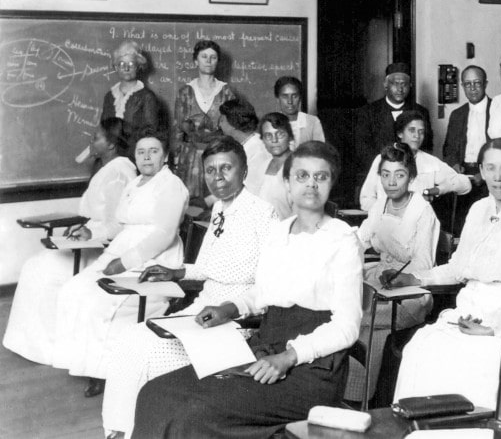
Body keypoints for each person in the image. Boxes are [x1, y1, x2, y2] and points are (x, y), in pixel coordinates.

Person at [131, 141, 363, 439]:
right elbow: (263, 292)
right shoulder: (280, 232)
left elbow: (347, 328)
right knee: (156, 392)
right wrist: (228, 308)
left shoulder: (343, 240)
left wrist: (289, 357)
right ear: (287, 184)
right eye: (302, 176)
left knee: (194, 413)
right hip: (264, 347)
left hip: (310, 369)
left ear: (332, 184)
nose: (311, 184)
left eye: (321, 177)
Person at [101, 136, 279, 439]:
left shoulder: (264, 215)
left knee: (152, 353)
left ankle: (146, 431)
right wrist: (176, 270)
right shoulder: (221, 209)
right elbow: (209, 268)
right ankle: (118, 431)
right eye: (210, 170)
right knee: (128, 339)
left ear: (244, 171)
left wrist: (228, 309)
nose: (218, 178)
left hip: (236, 322)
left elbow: (270, 289)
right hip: (200, 312)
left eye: (226, 169)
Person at [386, 138, 501, 435]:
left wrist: (492, 326)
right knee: (422, 349)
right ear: (481, 170)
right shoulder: (478, 209)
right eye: (490, 168)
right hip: (470, 308)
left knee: (479, 360)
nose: (498, 176)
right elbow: (458, 267)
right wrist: (416, 278)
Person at [51, 128, 189, 397]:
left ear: (165, 156)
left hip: (153, 259)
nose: (147, 157)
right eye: (141, 151)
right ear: (134, 156)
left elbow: (163, 235)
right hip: (120, 251)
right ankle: (86, 363)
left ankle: (105, 372)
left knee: (98, 300)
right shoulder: (134, 183)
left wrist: (124, 263)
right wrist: (91, 232)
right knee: (73, 289)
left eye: (154, 151)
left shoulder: (171, 185)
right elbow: (119, 225)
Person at [3, 118, 137, 365]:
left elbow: (119, 224)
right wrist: (84, 227)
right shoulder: (108, 168)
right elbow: (98, 215)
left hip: (102, 251)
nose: (90, 141)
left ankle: (51, 347)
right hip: (89, 242)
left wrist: (91, 234)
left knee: (43, 271)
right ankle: (35, 344)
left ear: (111, 145)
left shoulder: (119, 173)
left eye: (96, 137)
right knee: (36, 266)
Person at [345, 142, 440, 403]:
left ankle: (363, 398)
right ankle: (343, 389)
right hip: (380, 277)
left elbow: (423, 266)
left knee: (367, 316)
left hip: (411, 291)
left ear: (411, 176)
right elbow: (361, 239)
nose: (391, 182)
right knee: (344, 305)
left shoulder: (423, 212)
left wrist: (399, 278)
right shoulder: (381, 204)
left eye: (399, 175)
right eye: (385, 174)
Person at [359, 111, 471, 211]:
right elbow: (366, 198)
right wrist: (385, 213)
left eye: (421, 132)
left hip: (418, 224)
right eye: (411, 130)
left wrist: (436, 190)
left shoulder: (430, 162)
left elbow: (465, 184)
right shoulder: (382, 159)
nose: (417, 136)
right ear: (400, 133)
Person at [173, 40, 237, 206]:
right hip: (190, 158)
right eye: (204, 57)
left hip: (217, 155)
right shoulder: (185, 92)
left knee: (217, 202)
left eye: (213, 57)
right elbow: (179, 129)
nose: (208, 61)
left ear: (218, 61)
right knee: (190, 205)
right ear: (196, 61)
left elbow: (232, 128)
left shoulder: (226, 91)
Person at [355, 62, 432, 174]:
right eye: (395, 84)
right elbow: (362, 148)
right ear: (386, 85)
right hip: (378, 172)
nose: (400, 89)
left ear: (410, 85)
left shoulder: (421, 111)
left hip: (412, 172)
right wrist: (384, 169)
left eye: (404, 84)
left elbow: (426, 146)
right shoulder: (368, 112)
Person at [100, 41, 163, 150]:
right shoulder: (109, 96)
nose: (126, 68)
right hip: (110, 155)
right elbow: (103, 128)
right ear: (116, 67)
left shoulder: (147, 96)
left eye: (131, 64)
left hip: (136, 153)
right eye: (121, 64)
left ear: (139, 67)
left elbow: (151, 132)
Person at [442, 65, 492, 177]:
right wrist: (454, 164)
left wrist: (485, 173)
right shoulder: (457, 114)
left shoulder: (497, 110)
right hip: (463, 174)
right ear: (462, 86)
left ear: (485, 84)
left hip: (490, 173)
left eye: (477, 83)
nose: (472, 88)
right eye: (467, 84)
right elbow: (448, 148)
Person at [244, 112, 294, 219]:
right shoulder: (263, 166)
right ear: (263, 140)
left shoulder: (298, 166)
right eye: (268, 135)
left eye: (280, 134)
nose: (274, 140)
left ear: (290, 137)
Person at [219, 99, 270, 194]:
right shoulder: (246, 144)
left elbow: (250, 191)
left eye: (222, 120)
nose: (219, 125)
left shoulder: (257, 150)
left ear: (233, 123)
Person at [274, 76, 325, 146]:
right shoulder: (271, 123)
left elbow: (320, 150)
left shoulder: (313, 122)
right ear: (277, 99)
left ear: (300, 97)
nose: (290, 101)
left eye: (294, 96)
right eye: (285, 96)